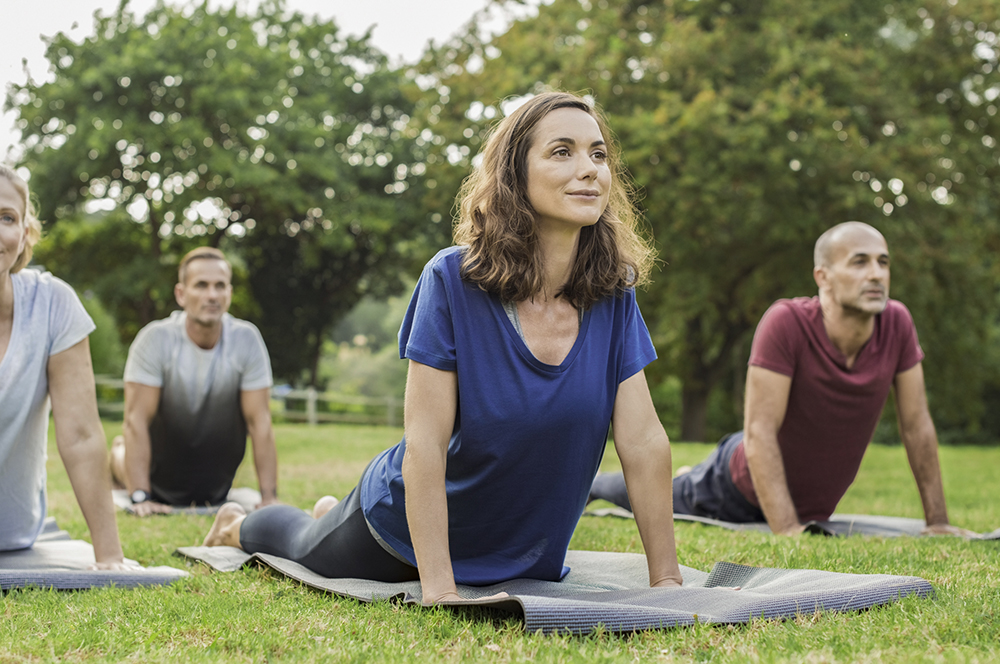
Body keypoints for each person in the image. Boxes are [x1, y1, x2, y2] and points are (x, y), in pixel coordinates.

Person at [203, 91, 683, 603]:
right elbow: (425, 445)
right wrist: (439, 588)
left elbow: (643, 441)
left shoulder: (612, 295)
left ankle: (327, 510)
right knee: (300, 542)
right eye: (561, 151)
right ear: (514, 175)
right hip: (401, 537)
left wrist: (668, 582)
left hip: (521, 550)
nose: (589, 169)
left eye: (598, 154)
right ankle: (237, 524)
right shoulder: (453, 279)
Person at [591, 222, 971, 536]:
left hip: (804, 497)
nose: (876, 274)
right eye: (859, 262)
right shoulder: (786, 322)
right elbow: (759, 432)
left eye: (883, 262)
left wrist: (937, 521)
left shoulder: (898, 323)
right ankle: (598, 485)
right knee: (649, 494)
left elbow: (917, 425)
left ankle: (692, 471)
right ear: (823, 276)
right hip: (734, 488)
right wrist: (788, 529)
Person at [0, 165, 131, 568]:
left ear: (24, 234)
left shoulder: (53, 303)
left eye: (6, 218)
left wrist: (109, 556)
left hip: (12, 533)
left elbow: (81, 435)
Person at [110, 247, 279, 516]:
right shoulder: (154, 339)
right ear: (181, 294)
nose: (212, 295)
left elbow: (260, 421)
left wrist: (269, 497)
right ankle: (118, 454)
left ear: (229, 294)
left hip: (213, 485)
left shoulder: (247, 340)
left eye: (220, 286)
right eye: (201, 285)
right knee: (122, 453)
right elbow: (136, 420)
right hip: (156, 474)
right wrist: (140, 496)